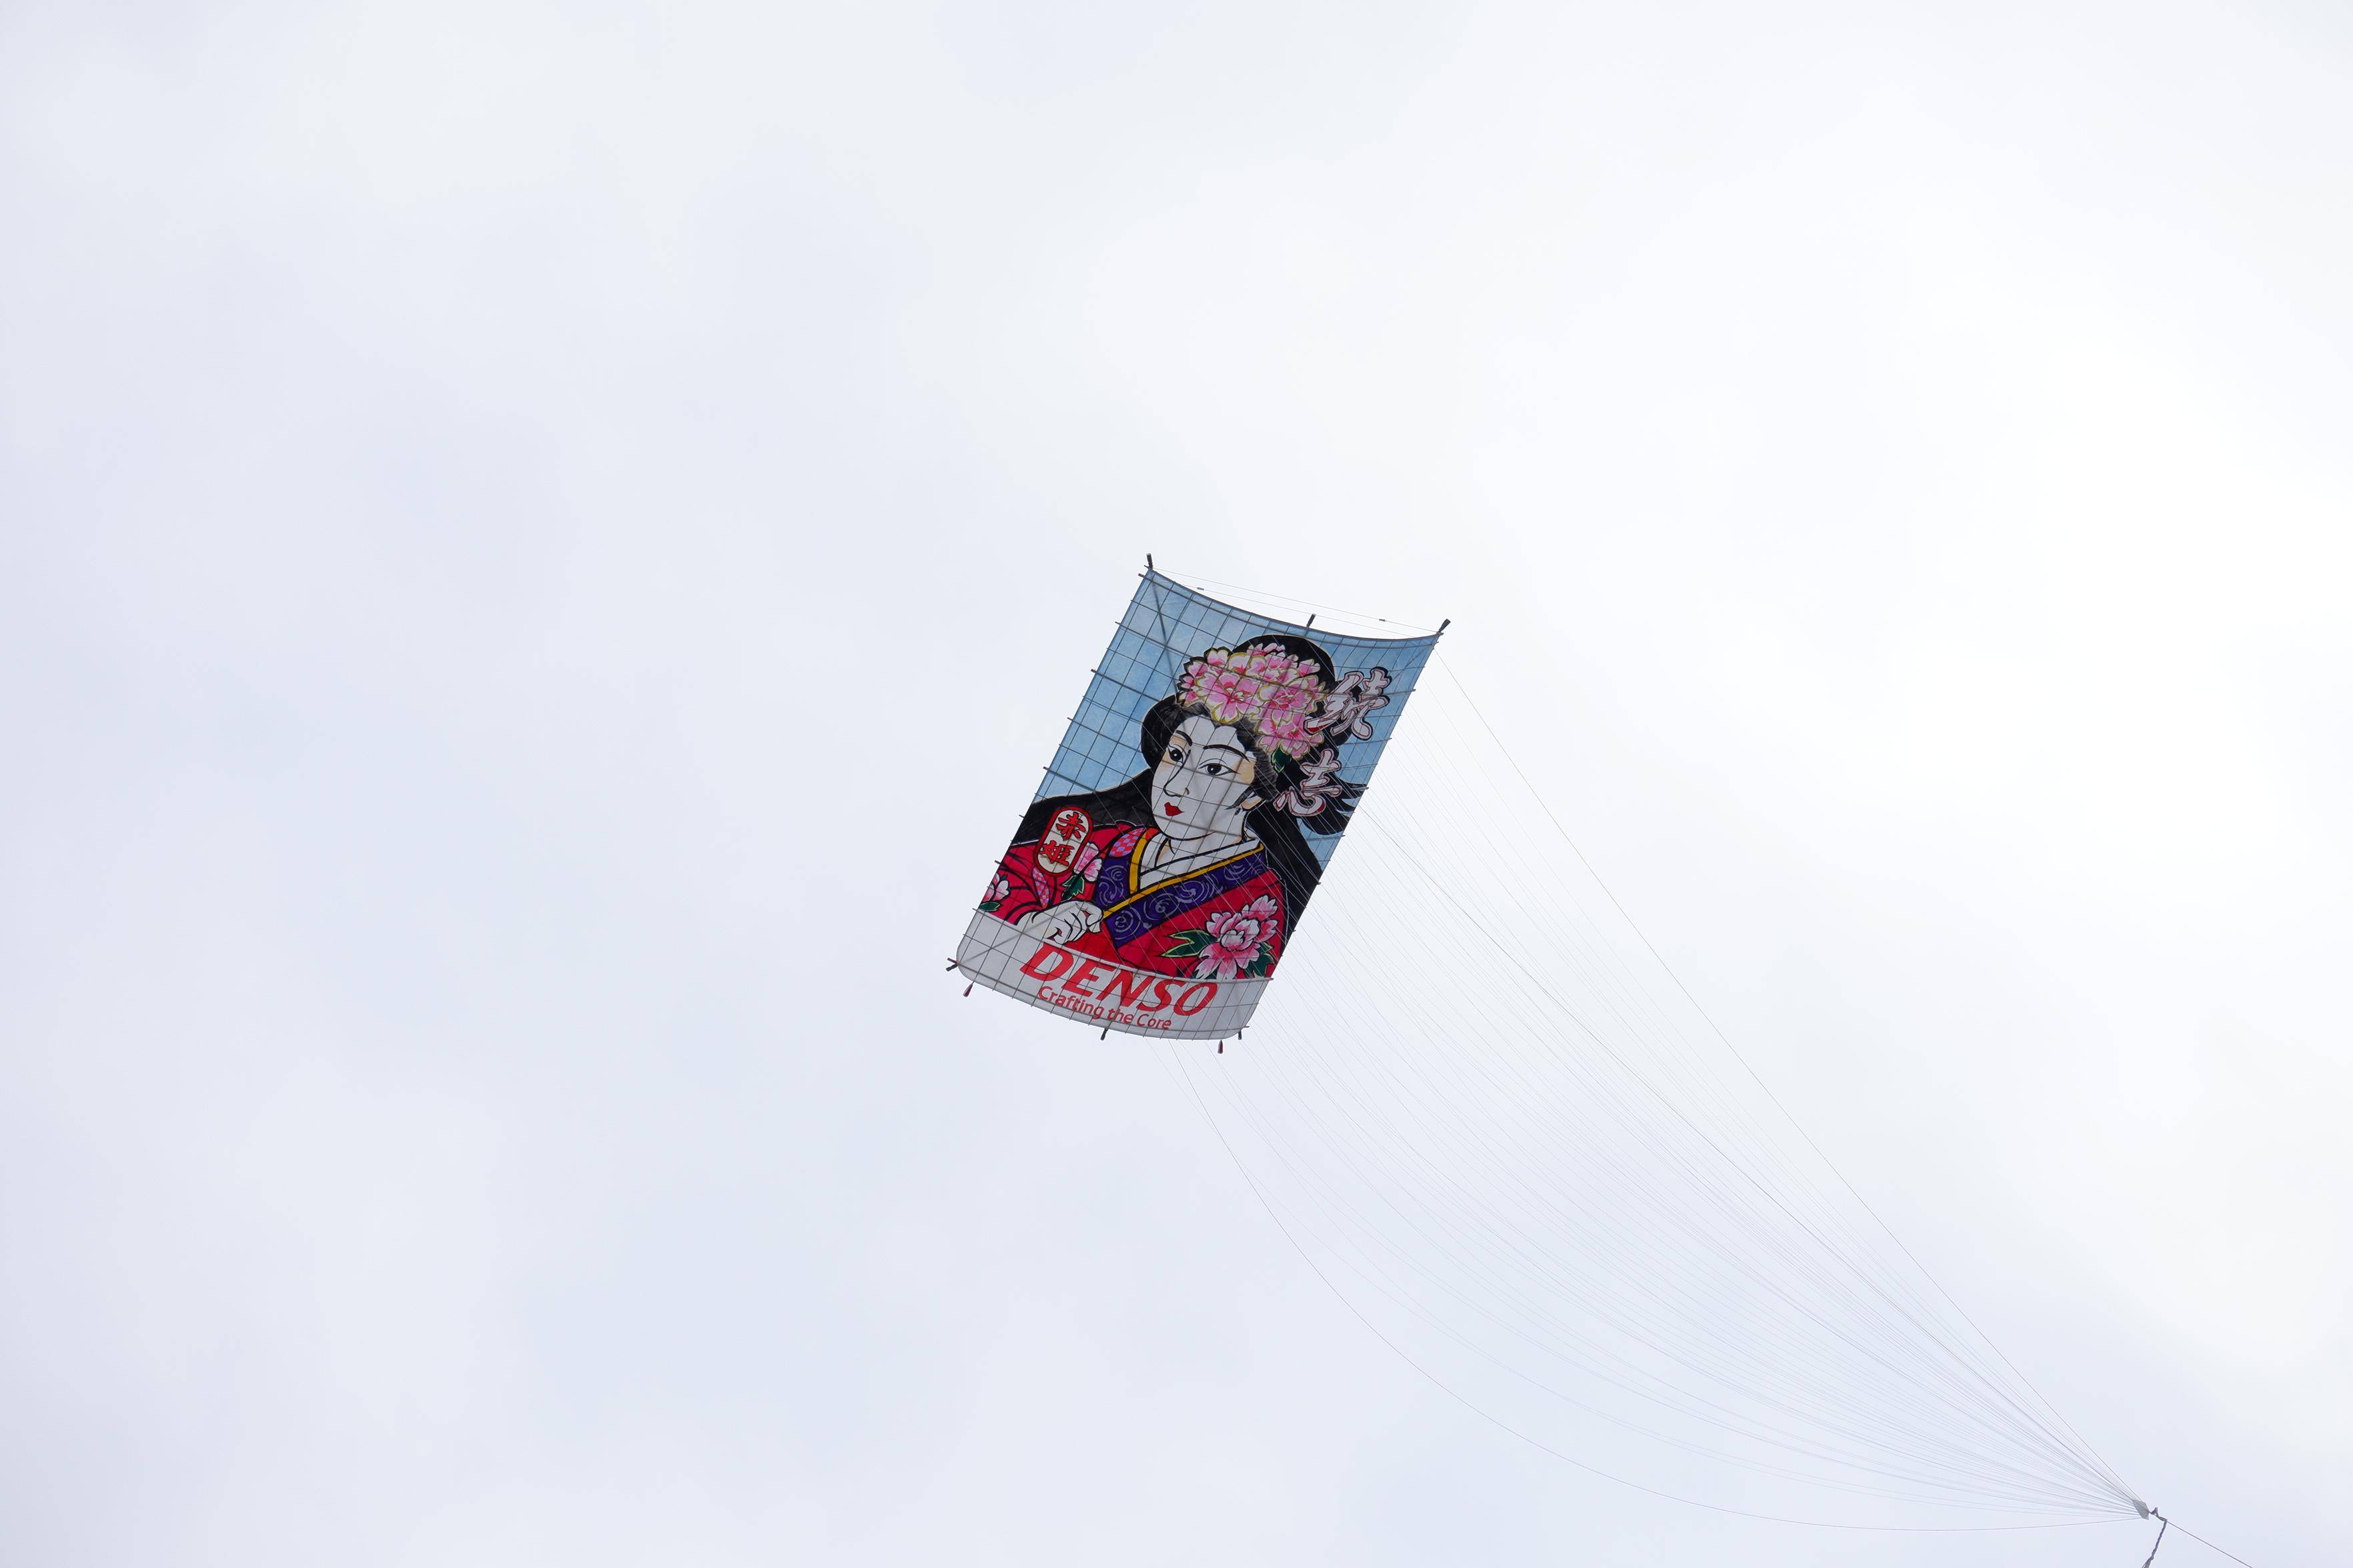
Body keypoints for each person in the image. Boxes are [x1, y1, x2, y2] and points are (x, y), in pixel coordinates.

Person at [979, 634, 1389, 981]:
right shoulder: (1107, 840)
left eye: (1214, 768)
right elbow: (1018, 880)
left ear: (1255, 792)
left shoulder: (1260, 902)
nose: (1176, 785)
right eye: (1176, 755)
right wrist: (1032, 923)